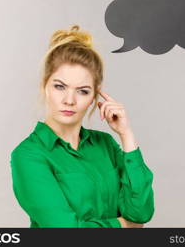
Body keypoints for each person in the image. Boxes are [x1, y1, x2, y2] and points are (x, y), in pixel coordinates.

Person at [10, 24, 155, 228]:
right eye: (60, 87)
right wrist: (124, 225)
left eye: (83, 91)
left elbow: (141, 213)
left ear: (94, 97)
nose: (69, 100)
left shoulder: (105, 144)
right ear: (46, 87)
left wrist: (126, 135)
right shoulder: (28, 155)